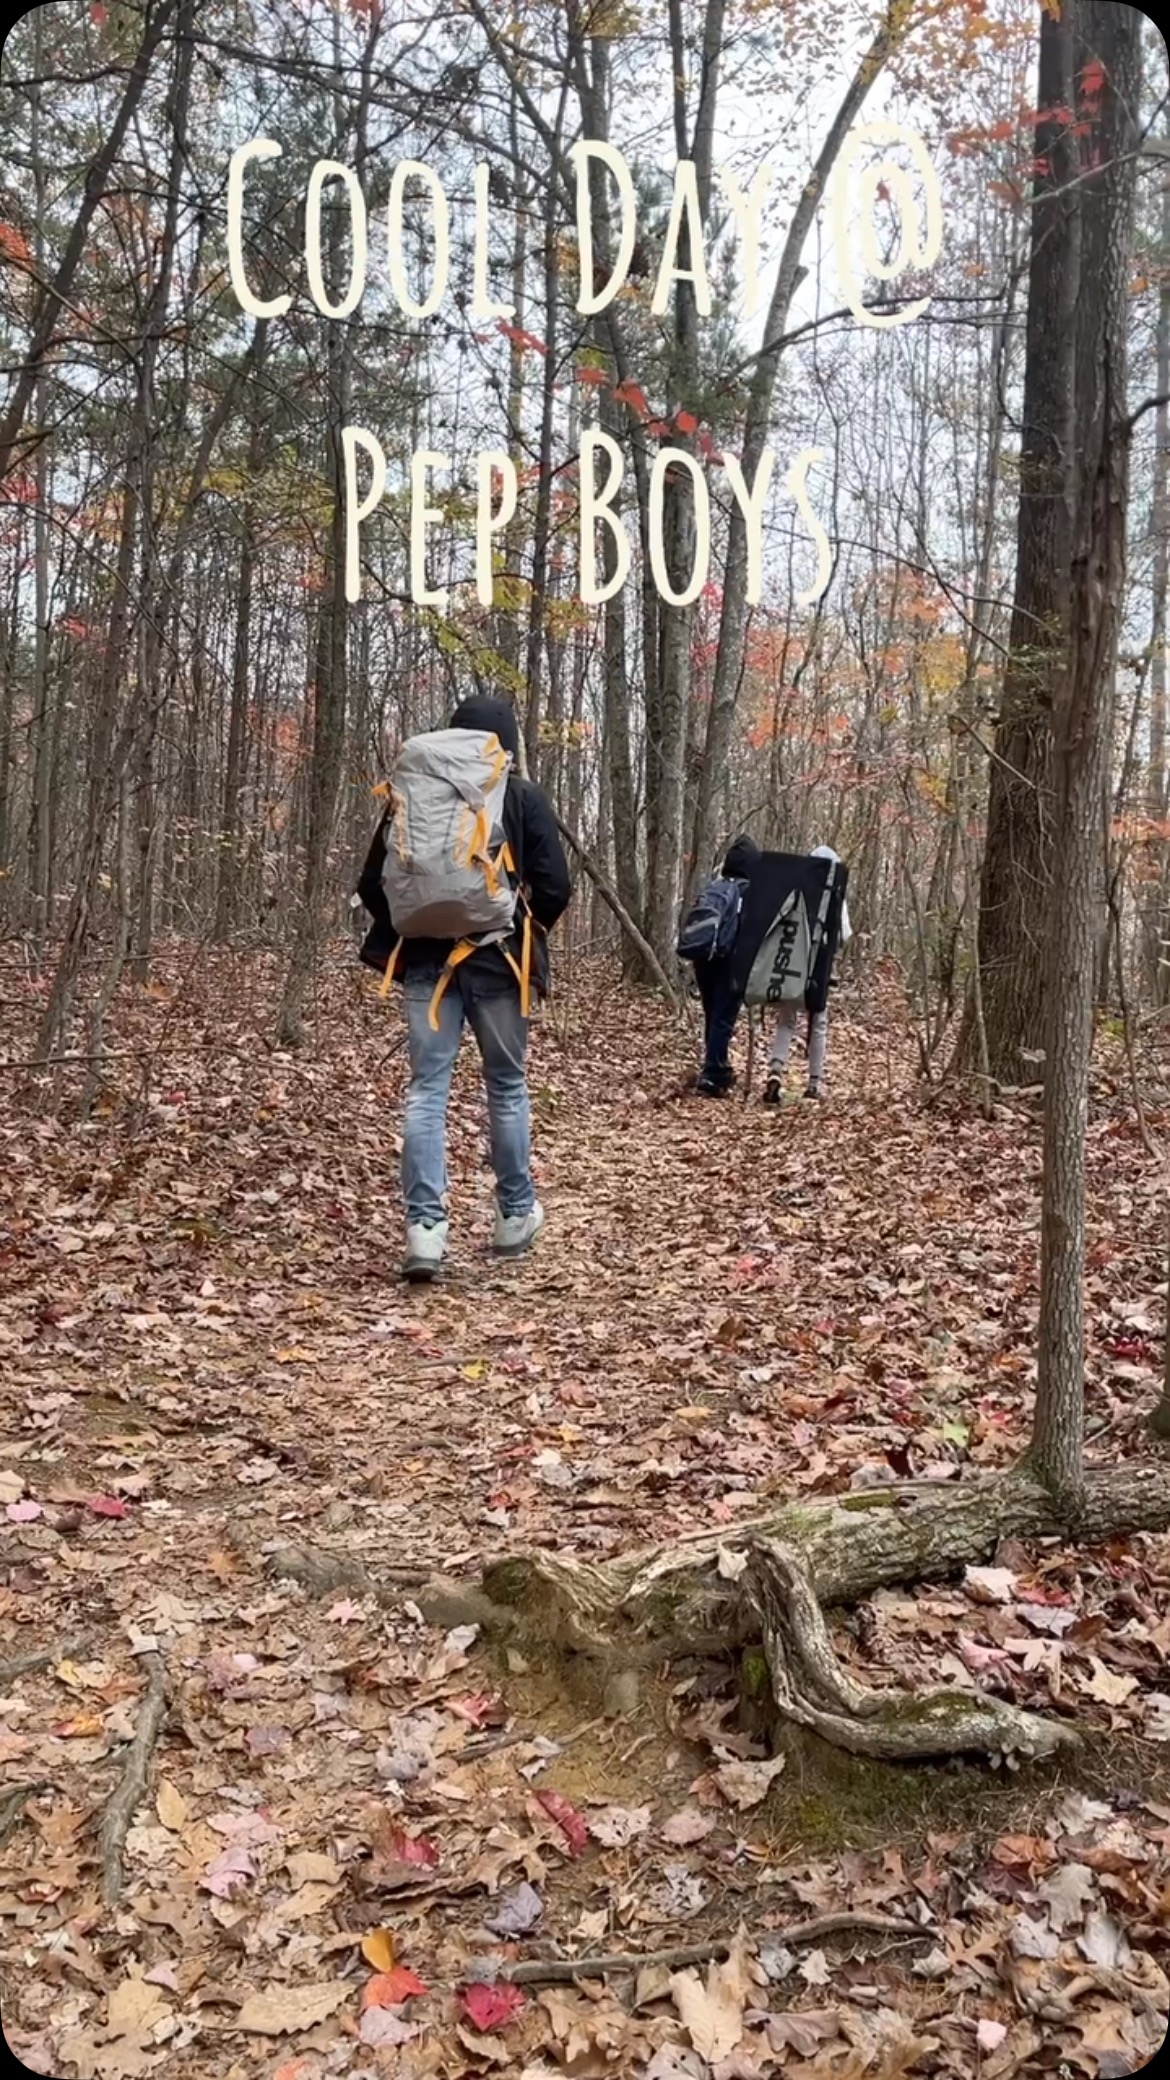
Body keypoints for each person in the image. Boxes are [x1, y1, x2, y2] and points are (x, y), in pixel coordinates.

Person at [357, 695, 571, 1281]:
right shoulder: (521, 796)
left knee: (427, 1091)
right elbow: (556, 887)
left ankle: (425, 1233)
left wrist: (421, 921)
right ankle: (513, 1216)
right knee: (506, 1086)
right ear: (505, 745)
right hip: (501, 963)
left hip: (426, 964)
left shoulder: (414, 792)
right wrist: (525, 927)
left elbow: (372, 884)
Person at [763, 843, 851, 1103]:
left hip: (794, 963)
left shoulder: (797, 889)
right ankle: (814, 1083)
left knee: (787, 1019)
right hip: (820, 966)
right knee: (818, 1022)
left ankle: (776, 1068)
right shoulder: (835, 894)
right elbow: (844, 934)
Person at [693, 834, 760, 1096]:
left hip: (704, 958)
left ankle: (715, 1066)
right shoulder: (749, 892)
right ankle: (713, 1074)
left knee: (712, 1014)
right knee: (723, 1018)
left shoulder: (715, 887)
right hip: (731, 961)